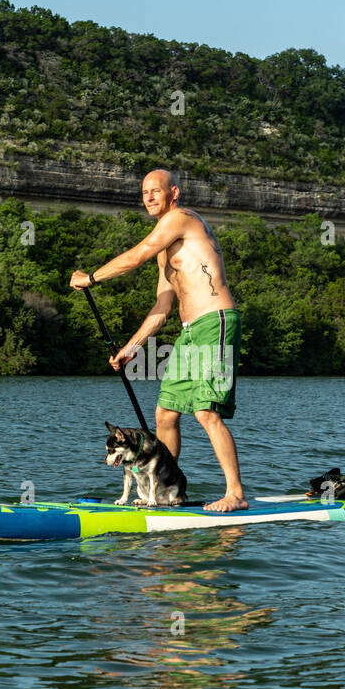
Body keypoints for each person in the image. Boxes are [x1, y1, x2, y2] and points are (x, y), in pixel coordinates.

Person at [70, 169, 248, 512]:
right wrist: (130, 349)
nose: (149, 197)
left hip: (216, 322)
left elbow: (137, 255)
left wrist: (90, 278)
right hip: (189, 332)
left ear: (174, 193)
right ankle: (162, 491)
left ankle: (235, 494)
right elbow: (162, 307)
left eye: (156, 190)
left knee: (205, 411)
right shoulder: (167, 253)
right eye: (144, 193)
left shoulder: (181, 219)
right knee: (165, 413)